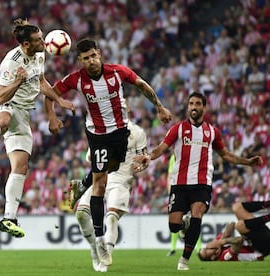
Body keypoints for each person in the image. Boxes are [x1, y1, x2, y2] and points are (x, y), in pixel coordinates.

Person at [45, 38, 173, 266]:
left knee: (110, 168)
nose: (91, 61)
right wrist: (53, 116)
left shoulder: (118, 72)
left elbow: (142, 85)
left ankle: (81, 185)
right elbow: (51, 93)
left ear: (100, 54)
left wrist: (160, 107)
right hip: (97, 135)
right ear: (80, 60)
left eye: (93, 56)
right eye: (86, 58)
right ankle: (101, 239)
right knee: (100, 183)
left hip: (120, 133)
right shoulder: (77, 79)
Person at [0, 19, 75, 238]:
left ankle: (8, 219)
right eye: (39, 40)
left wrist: (58, 101)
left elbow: (42, 81)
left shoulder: (39, 54)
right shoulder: (11, 61)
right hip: (7, 104)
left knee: (21, 166)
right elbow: (0, 96)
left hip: (24, 114)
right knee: (2, 122)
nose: (44, 42)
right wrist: (18, 82)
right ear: (26, 45)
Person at [133, 92, 263, 270]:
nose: (194, 107)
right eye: (191, 104)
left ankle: (184, 260)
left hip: (202, 183)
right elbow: (160, 149)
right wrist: (148, 157)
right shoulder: (178, 129)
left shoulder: (212, 132)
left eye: (197, 104)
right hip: (179, 183)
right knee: (174, 226)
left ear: (204, 107)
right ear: (188, 107)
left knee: (197, 216)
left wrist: (247, 162)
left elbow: (225, 155)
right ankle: (183, 226)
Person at [76, 120, 147, 272]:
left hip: (121, 180)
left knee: (111, 218)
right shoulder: (100, 130)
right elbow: (91, 158)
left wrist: (142, 165)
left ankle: (105, 258)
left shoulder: (137, 132)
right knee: (81, 214)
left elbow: (144, 158)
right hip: (99, 177)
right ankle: (95, 250)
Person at [198, 186, 270, 261]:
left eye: (205, 248)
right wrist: (221, 242)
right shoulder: (224, 257)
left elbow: (231, 225)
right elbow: (239, 240)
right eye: (206, 251)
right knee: (240, 225)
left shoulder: (218, 244)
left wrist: (220, 240)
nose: (207, 247)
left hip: (259, 238)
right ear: (213, 257)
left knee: (236, 207)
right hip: (265, 247)